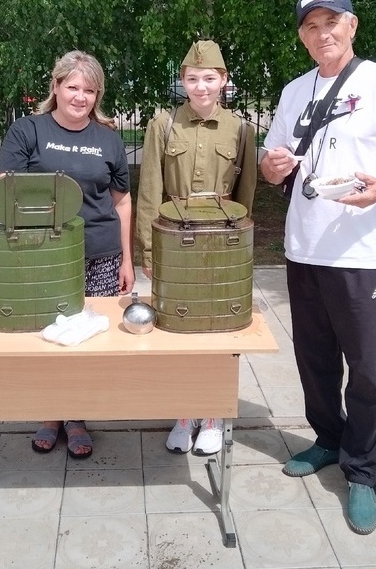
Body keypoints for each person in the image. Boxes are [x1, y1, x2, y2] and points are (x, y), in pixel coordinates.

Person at [260, 0, 376, 534]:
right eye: (311, 26)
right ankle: (327, 438)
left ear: (352, 25)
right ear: (301, 36)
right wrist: (272, 166)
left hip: (361, 253)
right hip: (303, 247)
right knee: (314, 357)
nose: (322, 34)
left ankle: (362, 472)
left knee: (367, 367)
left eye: (331, 22)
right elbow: (276, 170)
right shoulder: (294, 91)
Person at [0, 50, 134, 459]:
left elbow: (122, 202)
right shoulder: (28, 131)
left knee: (88, 339)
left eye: (89, 90)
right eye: (72, 87)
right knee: (47, 335)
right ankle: (51, 411)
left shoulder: (108, 138)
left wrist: (128, 259)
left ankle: (76, 414)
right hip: (44, 256)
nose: (80, 97)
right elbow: (7, 190)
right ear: (55, 87)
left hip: (100, 255)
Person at [136, 40, 256, 455]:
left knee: (219, 331)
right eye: (192, 79)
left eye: (209, 78)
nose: (201, 87)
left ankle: (212, 416)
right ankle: (184, 413)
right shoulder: (163, 125)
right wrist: (149, 253)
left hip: (222, 244)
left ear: (223, 81)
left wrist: (239, 249)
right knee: (179, 329)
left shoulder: (240, 129)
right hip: (176, 245)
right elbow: (150, 190)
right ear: (182, 82)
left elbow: (246, 194)